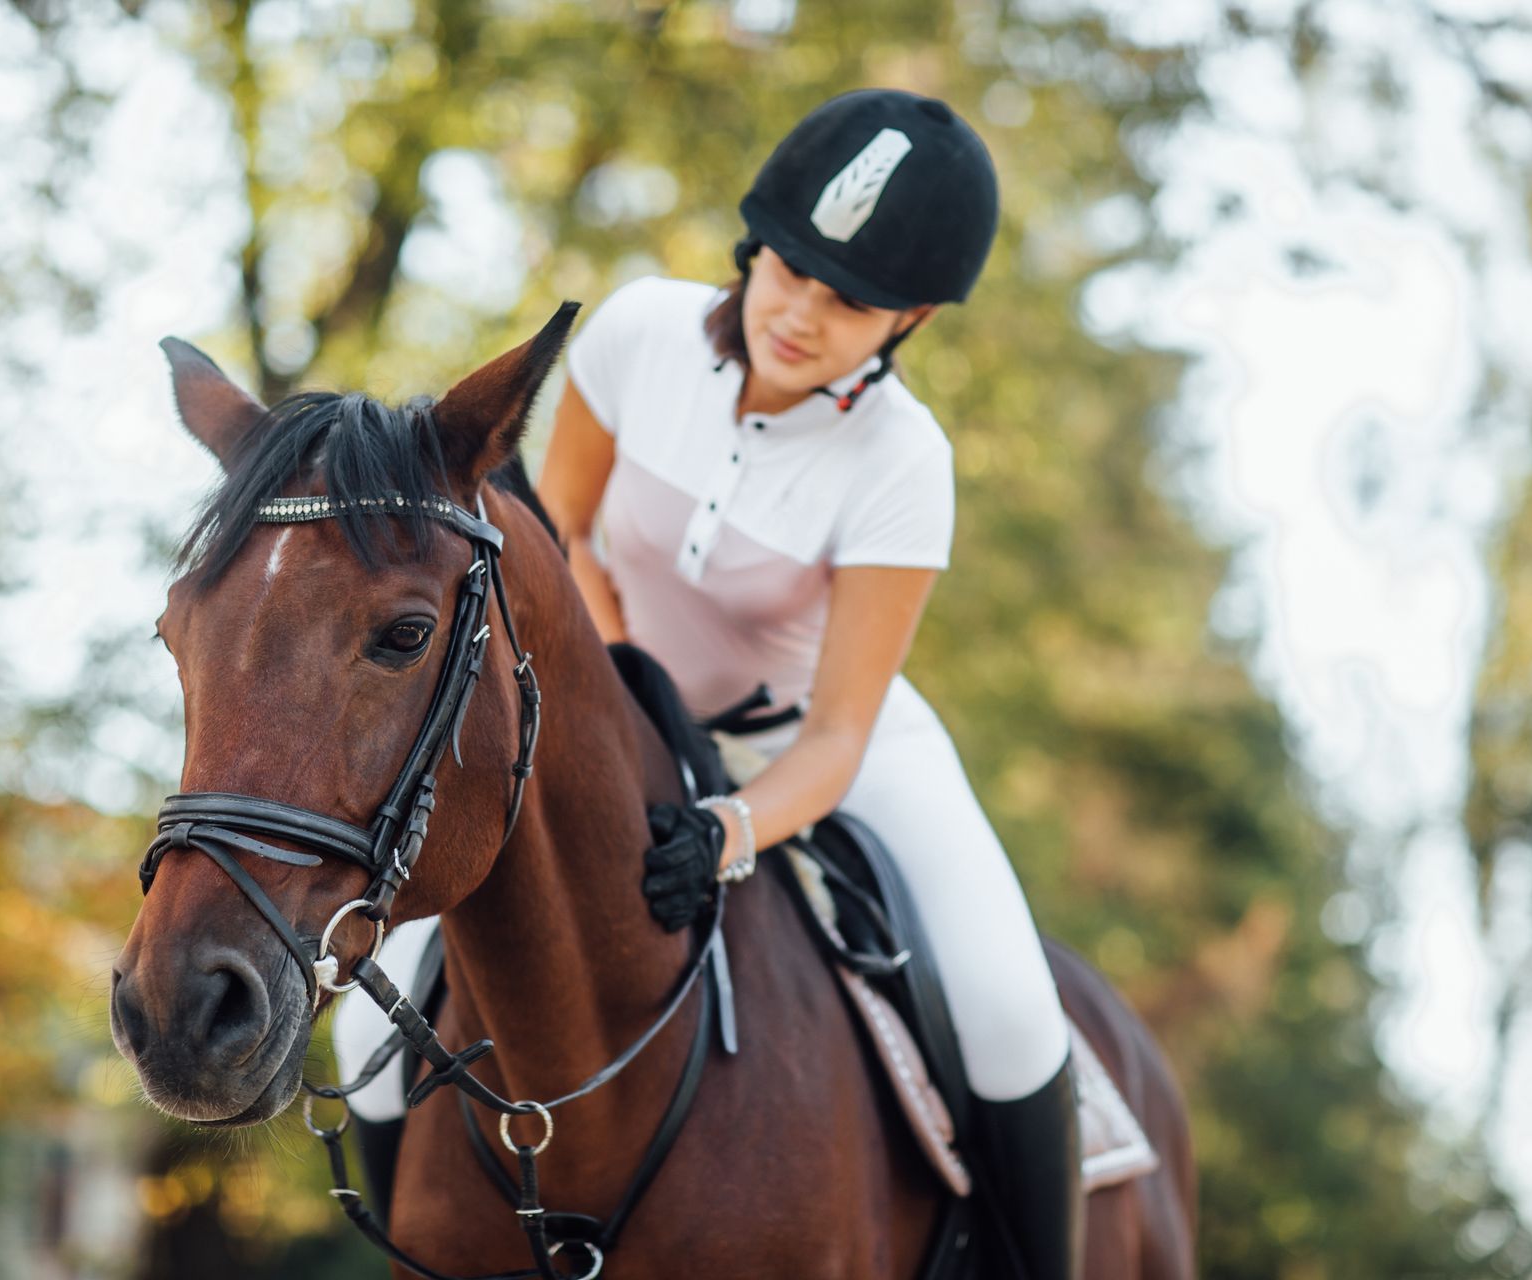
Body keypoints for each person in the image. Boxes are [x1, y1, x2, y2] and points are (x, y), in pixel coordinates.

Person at [336, 89, 1081, 1278]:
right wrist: (623, 691)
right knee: (371, 1008)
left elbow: (840, 730)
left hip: (816, 748)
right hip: (610, 711)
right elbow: (558, 526)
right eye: (789, 271)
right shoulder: (637, 333)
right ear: (756, 247)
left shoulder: (905, 463)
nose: (801, 313)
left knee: (1007, 1007)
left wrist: (731, 825)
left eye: (850, 302)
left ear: (915, 319)